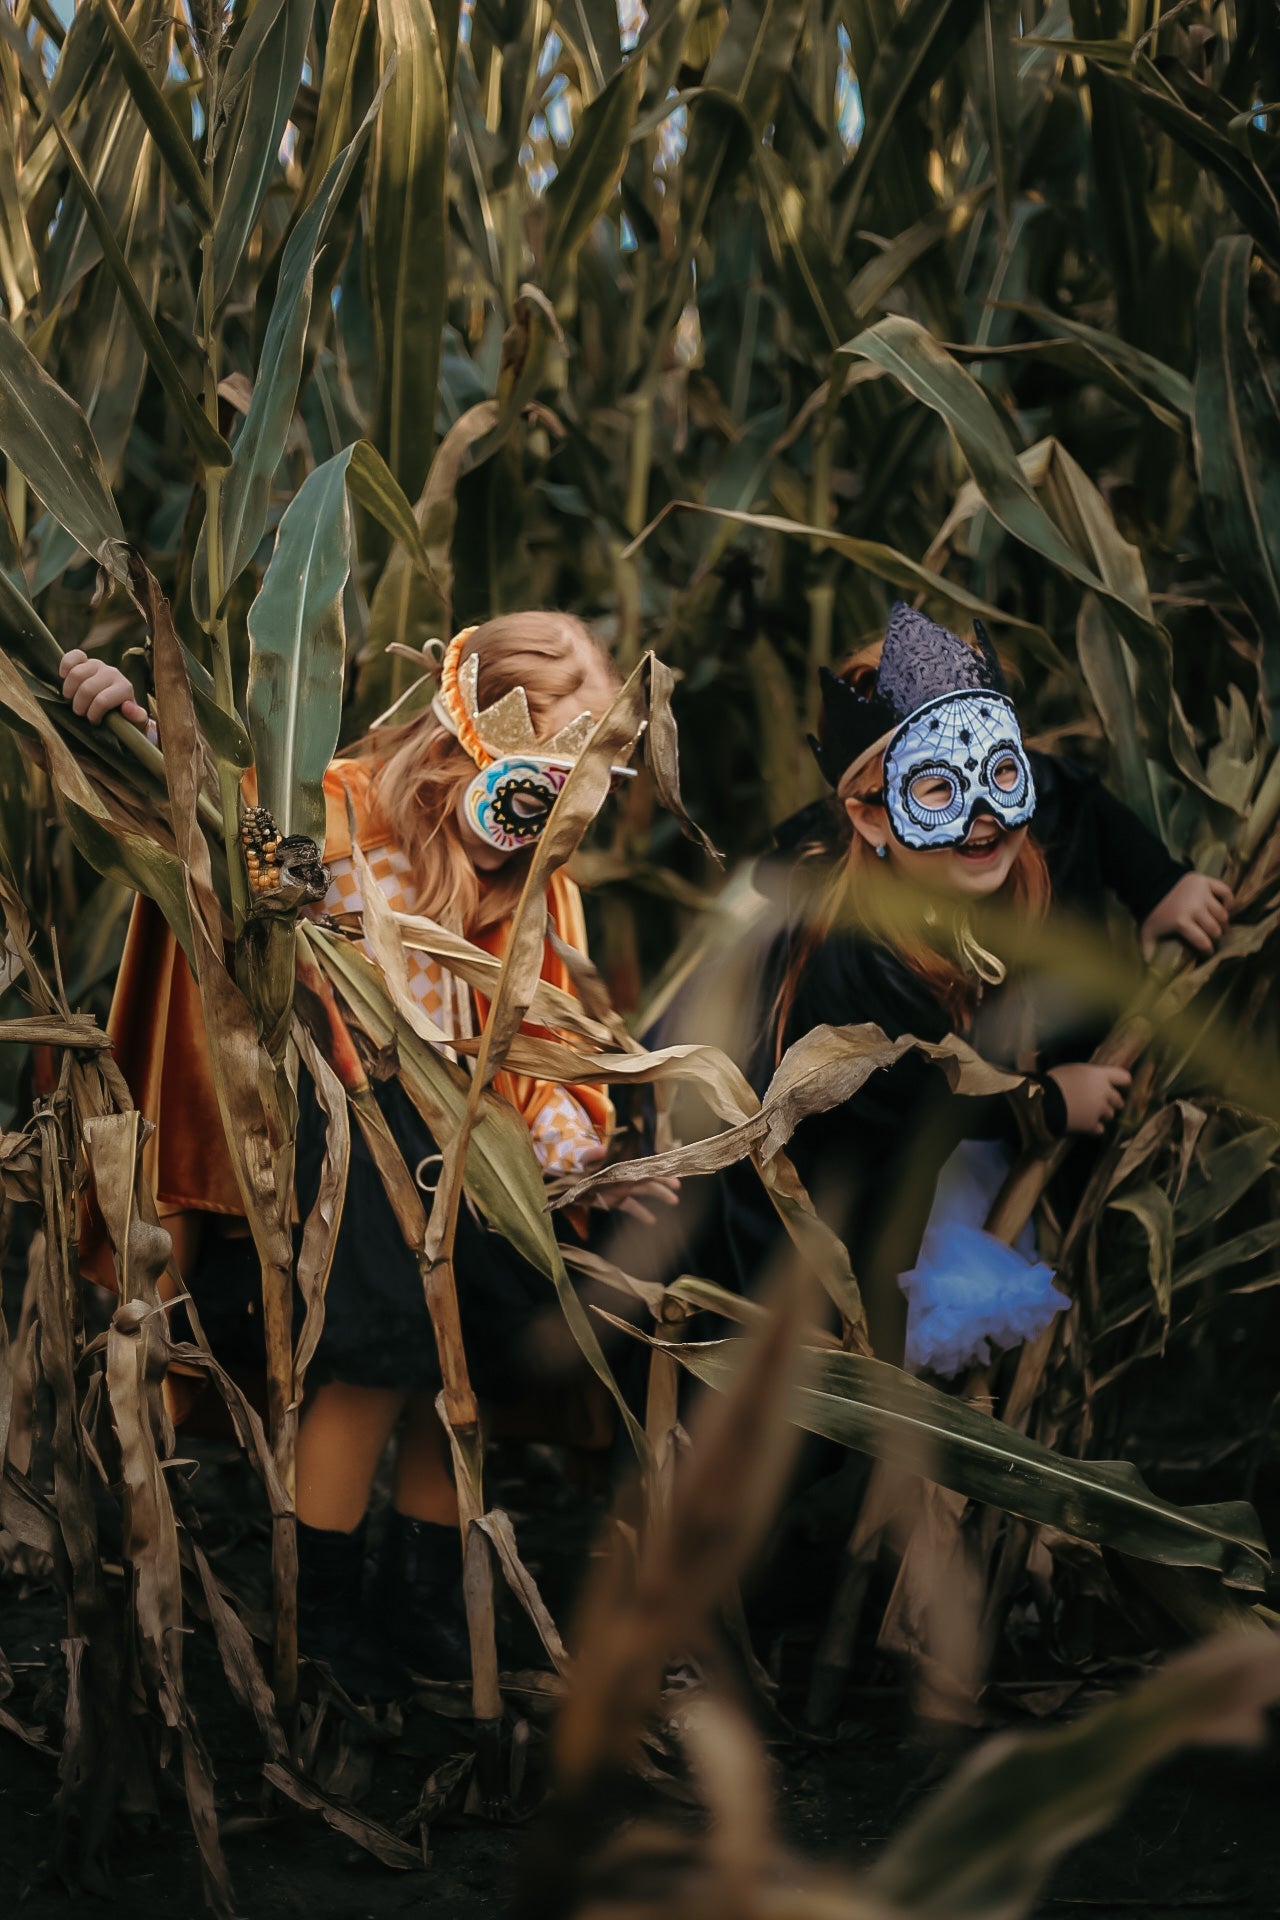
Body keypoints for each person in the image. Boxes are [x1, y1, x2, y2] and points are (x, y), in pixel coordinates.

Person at [61, 614, 677, 1697]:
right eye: (532, 790)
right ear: (461, 746)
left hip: (478, 1167)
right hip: (338, 1149)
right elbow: (210, 828)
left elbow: (551, 1047)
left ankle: (426, 1602)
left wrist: (589, 1156)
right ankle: (325, 1616)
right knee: (373, 1359)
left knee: (469, 1369)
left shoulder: (539, 879)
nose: (543, 829)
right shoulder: (333, 818)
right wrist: (131, 719)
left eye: (576, 799)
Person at [721, 602, 1233, 1370]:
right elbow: (924, 1101)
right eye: (935, 790)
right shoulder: (857, 960)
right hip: (866, 1171)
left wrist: (1159, 883)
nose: (983, 812)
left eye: (1000, 769)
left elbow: (1071, 794)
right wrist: (1050, 1101)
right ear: (870, 823)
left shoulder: (1026, 811)